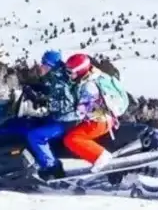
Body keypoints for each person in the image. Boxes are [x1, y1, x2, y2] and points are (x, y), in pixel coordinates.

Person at [62, 53, 126, 172]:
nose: (68, 75)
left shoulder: (89, 86)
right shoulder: (95, 76)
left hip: (98, 121)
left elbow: (82, 111)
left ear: (80, 71)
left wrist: (62, 116)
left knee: (72, 139)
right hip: (102, 118)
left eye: (70, 72)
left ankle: (100, 156)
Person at [23, 49, 78, 180]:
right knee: (31, 123)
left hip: (66, 120)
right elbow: (50, 90)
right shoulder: (56, 75)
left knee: (35, 136)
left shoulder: (60, 80)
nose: (41, 66)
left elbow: (67, 104)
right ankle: (41, 159)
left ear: (50, 65)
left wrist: (44, 102)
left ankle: (52, 168)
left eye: (44, 63)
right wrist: (35, 87)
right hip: (60, 117)